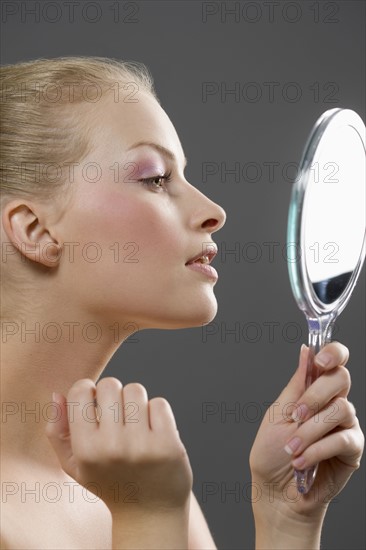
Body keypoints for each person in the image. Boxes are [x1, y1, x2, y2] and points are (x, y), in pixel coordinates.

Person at [0, 56, 364, 550]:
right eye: (155, 177)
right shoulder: (144, 493)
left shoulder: (135, 477)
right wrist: (150, 518)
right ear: (35, 230)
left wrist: (286, 518)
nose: (213, 212)